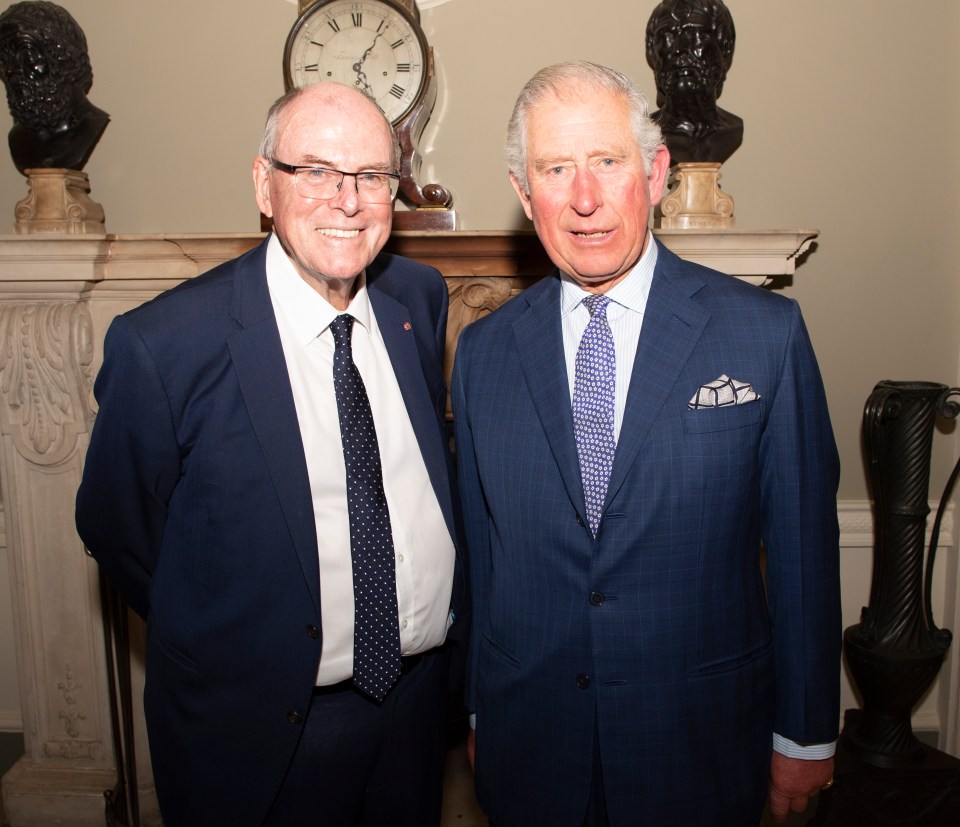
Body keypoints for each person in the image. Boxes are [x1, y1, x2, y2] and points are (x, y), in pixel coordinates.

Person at [452, 61, 840, 826]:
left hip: (699, 746)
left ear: (655, 173)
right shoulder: (484, 353)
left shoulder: (763, 335)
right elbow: (481, 561)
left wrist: (805, 733)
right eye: (556, 169)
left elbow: (802, 554)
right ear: (526, 194)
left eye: (607, 161)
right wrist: (476, 710)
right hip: (528, 745)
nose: (585, 199)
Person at [76, 82, 466, 827]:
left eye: (372, 176)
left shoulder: (417, 297)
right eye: (315, 171)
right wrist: (233, 628)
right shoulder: (165, 346)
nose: (347, 200)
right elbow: (118, 529)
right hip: (260, 735)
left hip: (415, 719)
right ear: (264, 184)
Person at [0, 1, 109, 174]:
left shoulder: (91, 125)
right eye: (5, 61)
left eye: (27, 56)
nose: (13, 71)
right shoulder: (18, 140)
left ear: (64, 59)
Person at [645, 0, 743, 164]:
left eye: (695, 34)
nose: (679, 49)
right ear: (652, 54)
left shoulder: (733, 129)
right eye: (667, 37)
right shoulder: (646, 133)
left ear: (724, 47)